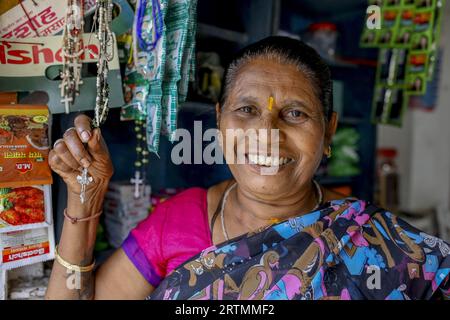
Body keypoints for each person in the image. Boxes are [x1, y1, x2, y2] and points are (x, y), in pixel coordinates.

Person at [45, 36, 450, 300]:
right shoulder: (180, 220)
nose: (266, 133)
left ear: (328, 132)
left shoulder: (378, 246)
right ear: (220, 123)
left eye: (294, 113)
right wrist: (85, 198)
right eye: (246, 110)